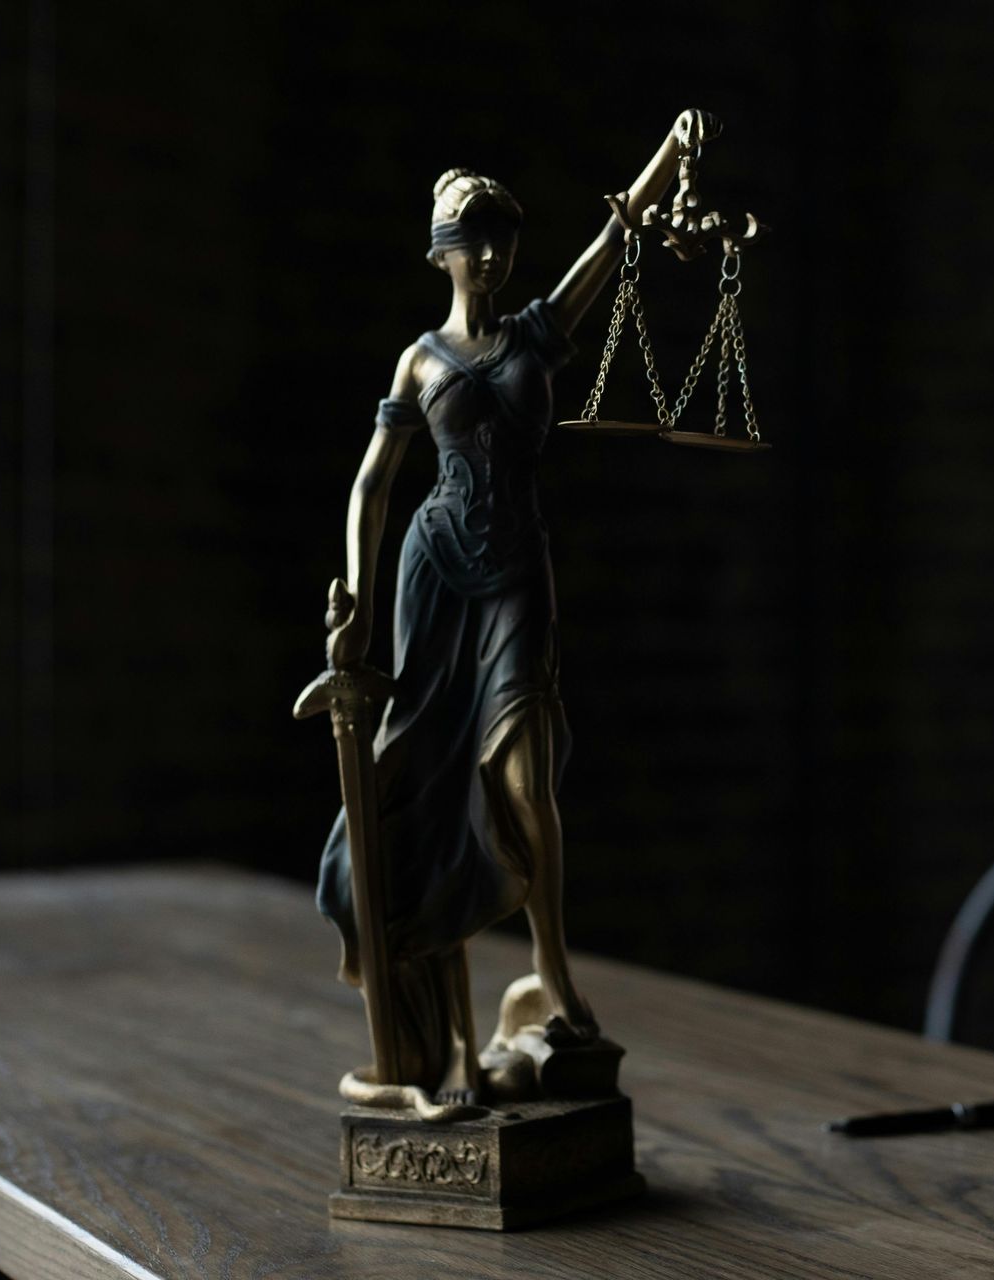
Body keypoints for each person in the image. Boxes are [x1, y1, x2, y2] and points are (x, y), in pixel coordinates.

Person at [317, 111, 713, 1105]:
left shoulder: (539, 332)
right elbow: (374, 481)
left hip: (516, 575)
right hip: (437, 572)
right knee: (434, 790)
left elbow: (615, 239)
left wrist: (668, 152)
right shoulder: (420, 361)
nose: (489, 256)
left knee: (528, 775)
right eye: (472, 240)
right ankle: (451, 1041)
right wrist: (360, 606)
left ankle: (557, 974)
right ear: (440, 253)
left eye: (503, 238)